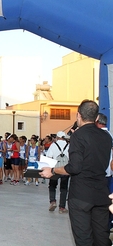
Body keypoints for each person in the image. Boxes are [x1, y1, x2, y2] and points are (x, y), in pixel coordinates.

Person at [40, 100, 112, 246]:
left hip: (81, 195)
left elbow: (74, 167)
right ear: (97, 117)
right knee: (102, 239)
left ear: (78, 115)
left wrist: (52, 170)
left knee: (84, 239)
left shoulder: (78, 136)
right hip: (101, 194)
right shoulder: (107, 137)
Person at [44, 131, 70, 213]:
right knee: (64, 188)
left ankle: (52, 202)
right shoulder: (68, 145)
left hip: (55, 168)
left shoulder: (53, 145)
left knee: (52, 185)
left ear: (57, 137)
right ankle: (62, 207)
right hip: (65, 169)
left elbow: (48, 157)